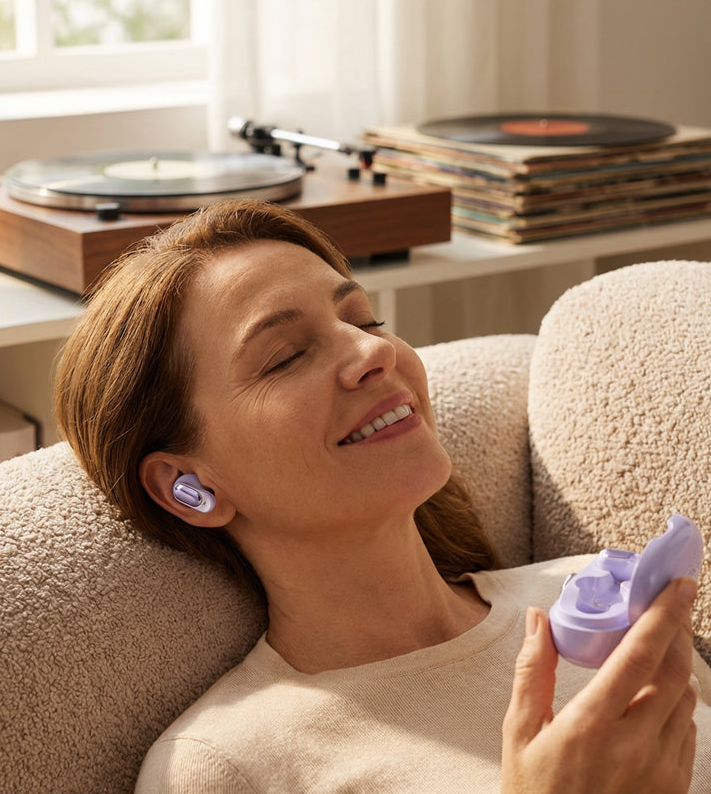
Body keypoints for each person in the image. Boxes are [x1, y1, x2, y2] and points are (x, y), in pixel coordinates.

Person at [54, 199, 710, 793]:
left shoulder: (601, 603)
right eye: (286, 356)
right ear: (189, 489)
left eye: (366, 318)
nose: (374, 350)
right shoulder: (226, 766)